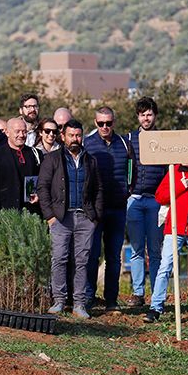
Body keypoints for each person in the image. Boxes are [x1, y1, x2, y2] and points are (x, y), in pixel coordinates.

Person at [38, 119, 103, 319]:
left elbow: (98, 189)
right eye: (71, 135)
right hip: (61, 217)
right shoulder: (53, 159)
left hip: (85, 218)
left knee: (82, 261)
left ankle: (79, 304)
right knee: (59, 259)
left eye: (78, 135)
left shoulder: (90, 160)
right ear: (63, 136)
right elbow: (43, 188)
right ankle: (59, 300)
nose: (75, 139)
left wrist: (95, 217)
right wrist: (49, 216)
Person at [144, 157, 188, 324]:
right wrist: (181, 186)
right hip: (175, 227)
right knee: (165, 266)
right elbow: (160, 196)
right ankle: (155, 308)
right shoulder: (175, 170)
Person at [83, 106, 133, 311]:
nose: (105, 127)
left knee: (114, 257)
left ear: (114, 122)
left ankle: (111, 300)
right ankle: (88, 297)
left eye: (108, 123)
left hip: (118, 208)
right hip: (95, 211)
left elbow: (132, 171)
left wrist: (127, 191)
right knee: (92, 255)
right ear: (95, 123)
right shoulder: (87, 143)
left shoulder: (124, 143)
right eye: (101, 123)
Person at [126, 97, 163, 307]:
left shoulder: (164, 139)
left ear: (155, 115)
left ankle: (157, 294)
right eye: (142, 114)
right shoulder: (129, 139)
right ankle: (138, 292)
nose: (146, 118)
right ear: (138, 116)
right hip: (135, 199)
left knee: (155, 249)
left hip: (156, 201)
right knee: (137, 248)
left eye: (149, 114)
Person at [0, 117, 41, 213]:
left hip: (30, 210)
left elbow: (41, 180)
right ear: (7, 133)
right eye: (17, 131)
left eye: (24, 132)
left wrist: (39, 194)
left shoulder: (35, 153)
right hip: (6, 211)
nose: (21, 135)